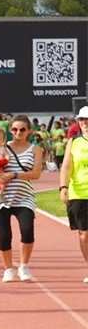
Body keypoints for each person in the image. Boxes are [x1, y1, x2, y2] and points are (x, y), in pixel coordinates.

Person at [0, 115, 43, 283]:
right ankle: (8, 268)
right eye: (15, 129)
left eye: (22, 129)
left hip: (24, 196)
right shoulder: (1, 147)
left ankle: (24, 265)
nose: (18, 132)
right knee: (4, 235)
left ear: (29, 131)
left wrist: (13, 174)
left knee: (27, 231)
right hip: (0, 196)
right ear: (10, 131)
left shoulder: (35, 149)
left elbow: (36, 173)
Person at [60, 107, 88, 281]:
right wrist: (63, 187)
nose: (85, 123)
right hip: (79, 193)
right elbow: (67, 166)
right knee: (84, 234)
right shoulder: (74, 141)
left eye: (87, 119)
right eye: (82, 119)